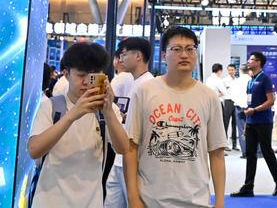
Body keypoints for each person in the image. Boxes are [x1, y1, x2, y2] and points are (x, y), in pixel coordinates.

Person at [124, 26, 226, 208]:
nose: (184, 55)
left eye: (190, 49)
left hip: (196, 201)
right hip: (150, 200)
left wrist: (219, 202)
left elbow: (217, 153)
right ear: (164, 55)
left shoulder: (209, 97)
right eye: (177, 49)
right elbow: (131, 148)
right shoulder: (144, 91)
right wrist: (133, 197)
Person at [28, 42, 129, 208]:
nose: (86, 82)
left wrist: (109, 111)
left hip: (91, 202)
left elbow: (123, 148)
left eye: (94, 76)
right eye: (81, 75)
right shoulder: (51, 107)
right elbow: (34, 150)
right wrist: (73, 114)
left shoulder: (107, 111)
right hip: (48, 201)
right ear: (66, 74)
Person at [104, 37, 154, 208]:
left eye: (124, 54)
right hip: (121, 158)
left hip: (135, 161)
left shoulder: (148, 85)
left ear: (138, 56)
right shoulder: (134, 82)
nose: (121, 59)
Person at [230, 51, 277, 198]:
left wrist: (255, 110)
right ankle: (248, 187)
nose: (248, 61)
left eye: (252, 59)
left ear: (259, 62)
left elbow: (271, 101)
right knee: (250, 154)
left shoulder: (264, 79)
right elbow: (249, 103)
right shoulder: (250, 80)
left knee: (267, 152)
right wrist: (247, 122)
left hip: (264, 122)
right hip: (251, 122)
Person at [206, 63, 233, 150]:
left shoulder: (208, 80)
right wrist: (220, 94)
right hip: (218, 104)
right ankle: (220, 146)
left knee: (211, 125)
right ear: (220, 71)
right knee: (220, 125)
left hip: (209, 104)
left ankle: (212, 145)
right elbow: (224, 92)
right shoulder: (218, 80)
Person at [223, 64, 247, 155]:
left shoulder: (238, 80)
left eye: (232, 70)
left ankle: (234, 144)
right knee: (226, 123)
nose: (231, 71)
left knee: (235, 124)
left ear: (235, 70)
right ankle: (225, 144)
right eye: (229, 70)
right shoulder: (224, 80)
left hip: (236, 102)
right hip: (228, 101)